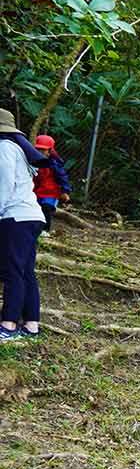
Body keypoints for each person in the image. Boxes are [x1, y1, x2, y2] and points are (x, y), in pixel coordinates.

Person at [0, 120, 47, 342]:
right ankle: (31, 326)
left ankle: (8, 325)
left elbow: (4, 185)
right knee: (26, 271)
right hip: (31, 217)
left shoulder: (4, 147)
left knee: (12, 271)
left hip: (16, 217)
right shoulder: (18, 149)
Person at [31, 134, 70, 229]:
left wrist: (65, 191)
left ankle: (45, 229)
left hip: (50, 193)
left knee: (46, 207)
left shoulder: (54, 164)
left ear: (49, 151)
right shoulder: (33, 161)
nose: (40, 152)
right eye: (38, 149)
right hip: (35, 192)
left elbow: (62, 177)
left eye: (43, 150)